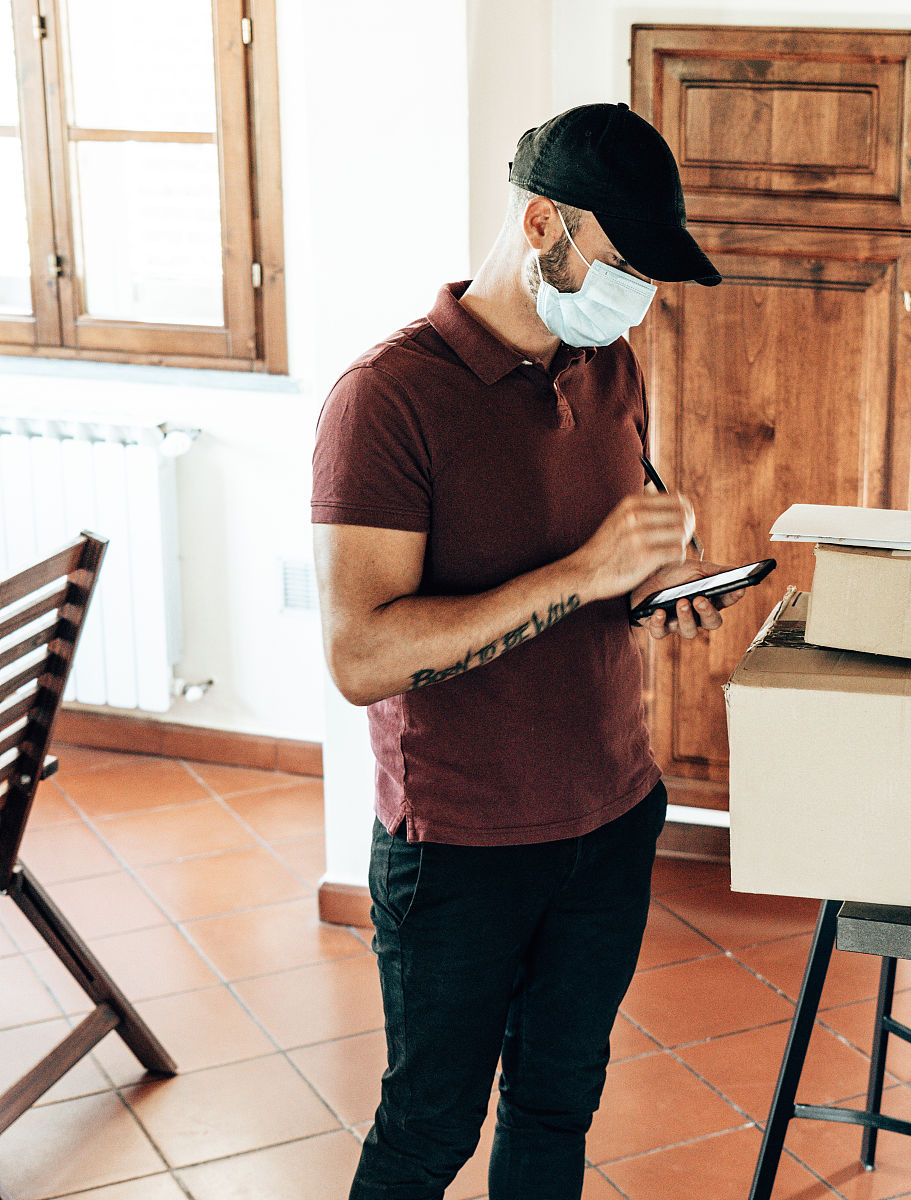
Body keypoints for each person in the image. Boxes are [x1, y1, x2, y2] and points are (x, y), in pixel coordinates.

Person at [311, 101, 745, 1200]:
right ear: (543, 222)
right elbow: (361, 655)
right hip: (460, 844)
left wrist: (658, 581)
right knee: (428, 1132)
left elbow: (612, 538)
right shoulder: (385, 401)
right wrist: (582, 578)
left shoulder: (610, 365)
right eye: (623, 262)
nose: (636, 295)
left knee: (558, 1108)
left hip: (612, 814)